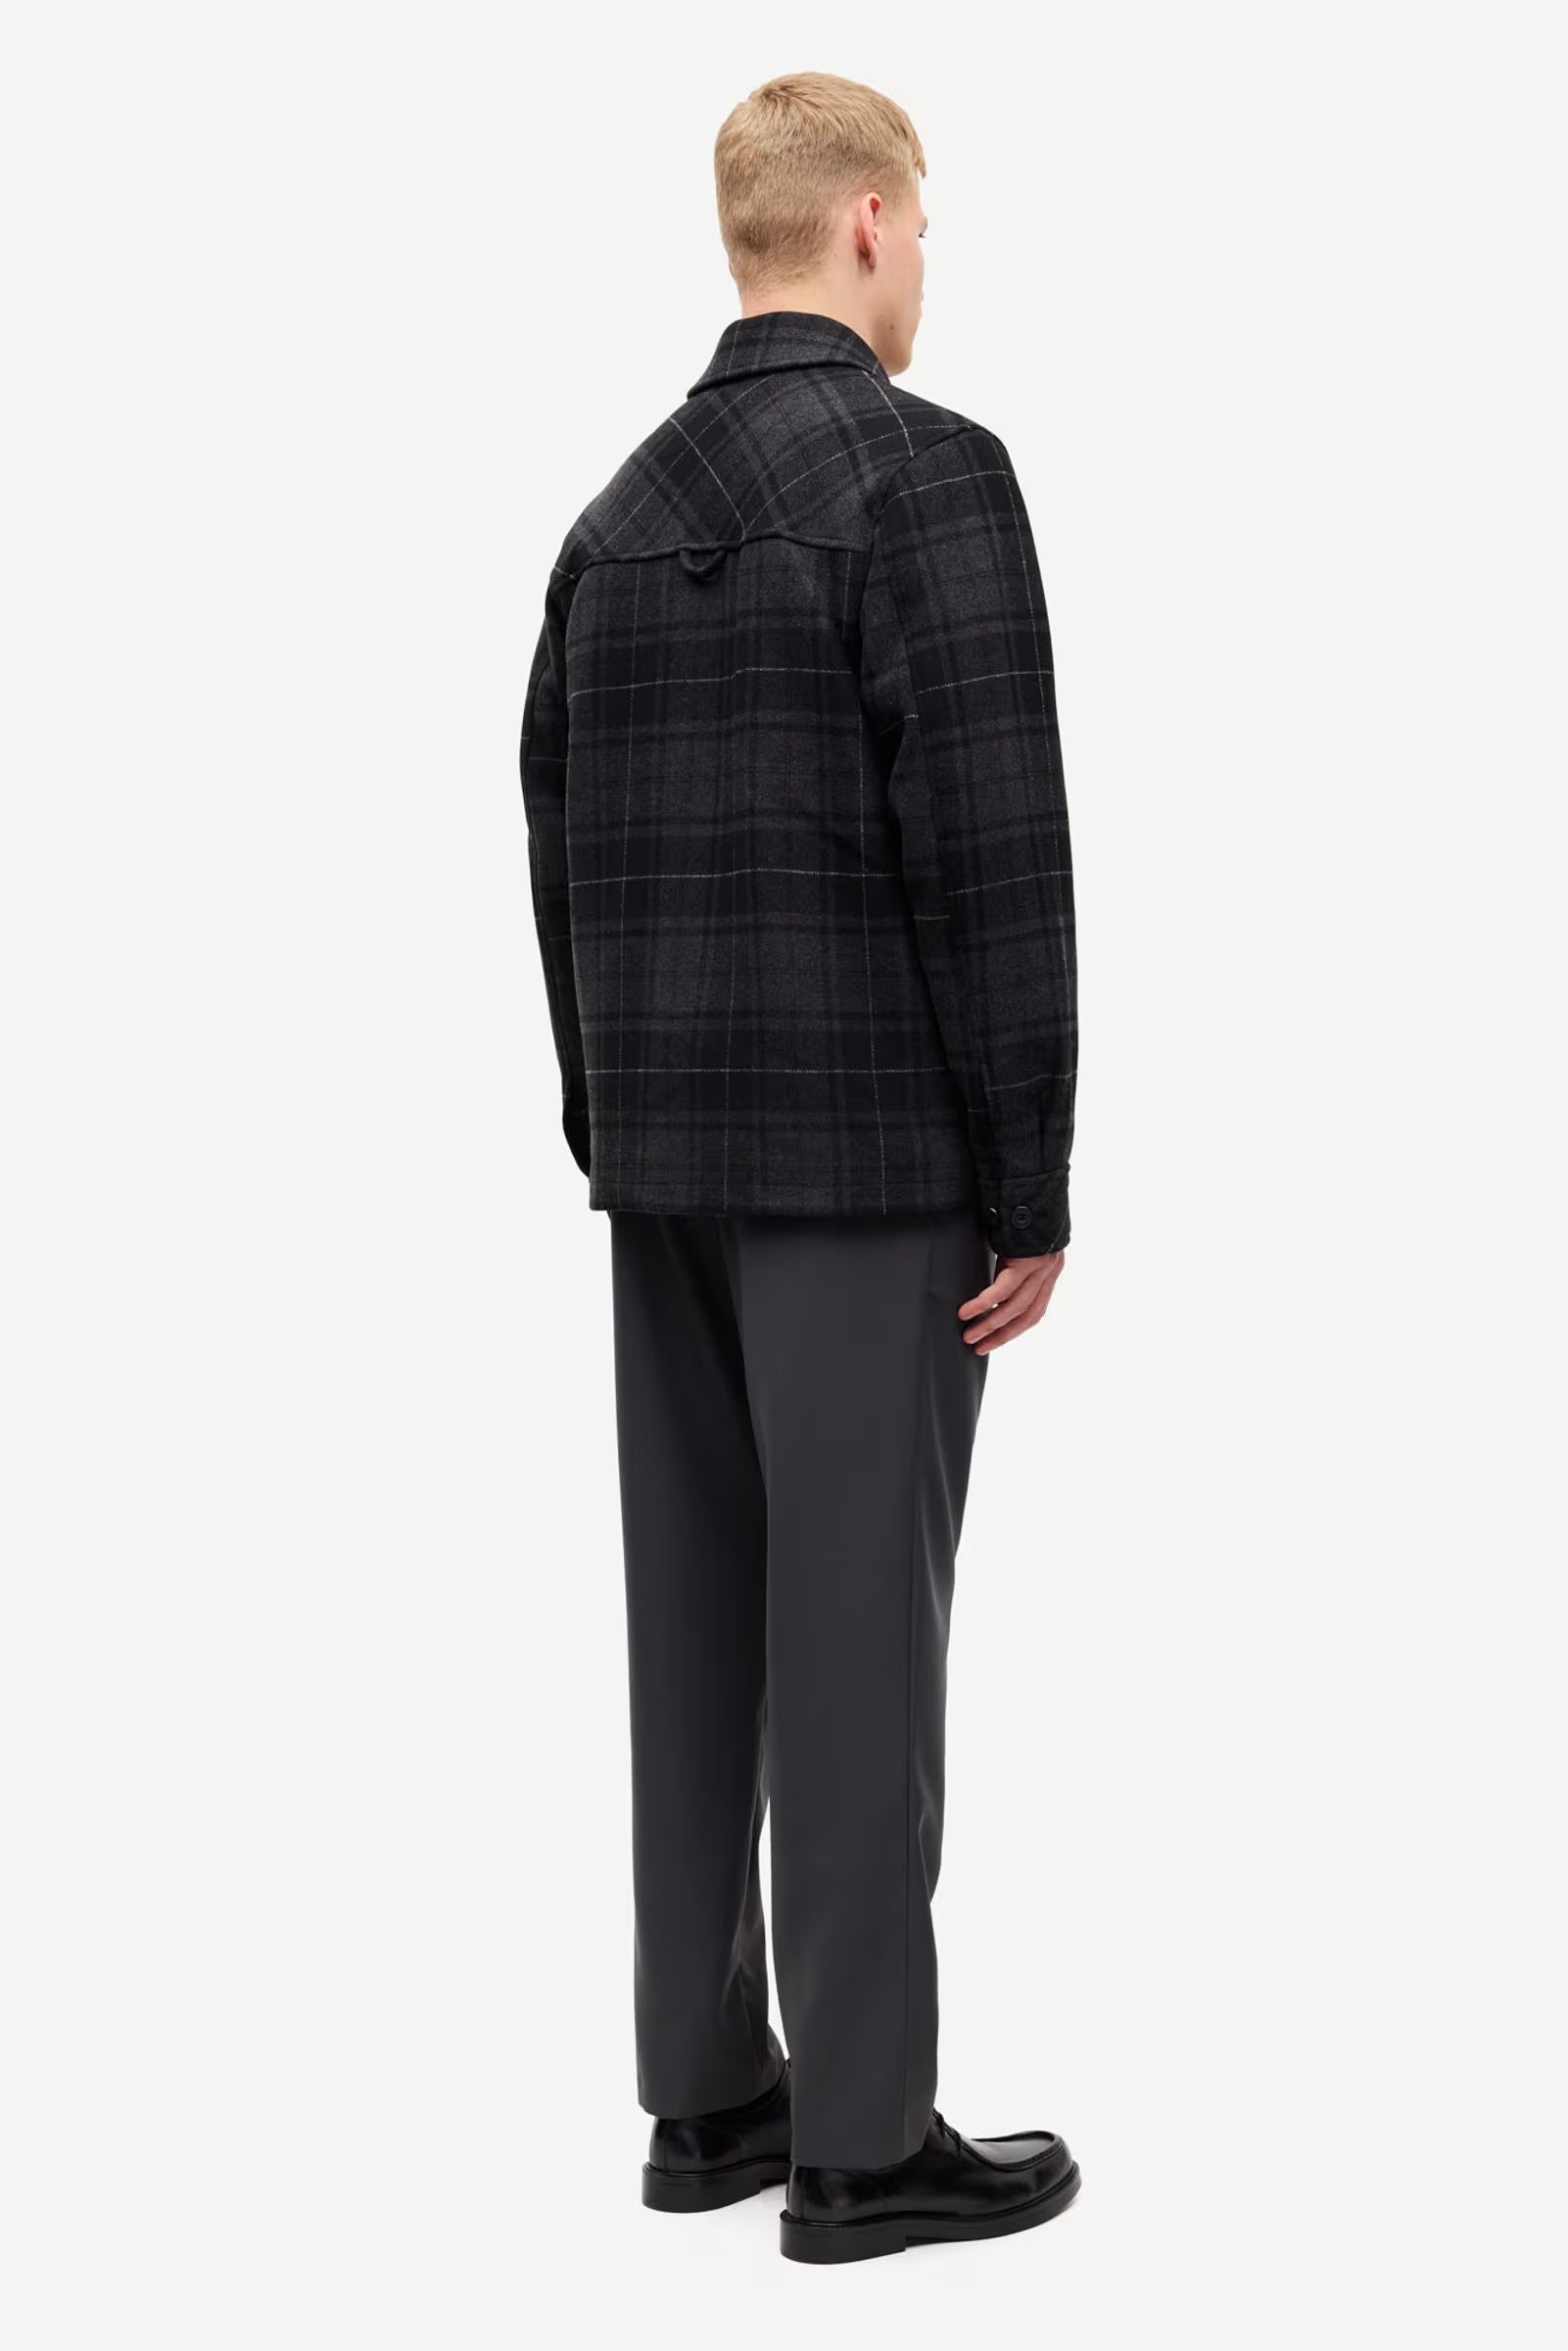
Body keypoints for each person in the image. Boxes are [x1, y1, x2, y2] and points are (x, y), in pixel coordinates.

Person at [518, 70, 1081, 2266]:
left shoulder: (612, 516)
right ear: (861, 222)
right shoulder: (930, 478)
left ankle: (706, 2093)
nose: (925, 261)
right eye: (921, 225)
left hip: (664, 1162)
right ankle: (859, 2143)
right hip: (865, 1167)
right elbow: (995, 850)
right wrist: (1029, 1181)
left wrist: (607, 1122)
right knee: (857, 1644)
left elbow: (552, 840)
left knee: (699, 1631)